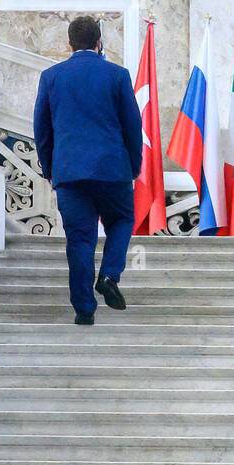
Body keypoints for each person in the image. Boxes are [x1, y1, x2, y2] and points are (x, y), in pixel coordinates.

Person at [33, 16, 143, 325]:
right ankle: (109, 275)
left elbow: (41, 128)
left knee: (79, 240)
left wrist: (49, 168)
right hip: (112, 170)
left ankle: (84, 310)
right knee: (121, 221)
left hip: (69, 173)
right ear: (99, 43)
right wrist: (133, 166)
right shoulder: (117, 75)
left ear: (69, 44)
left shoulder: (51, 77)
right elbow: (133, 126)